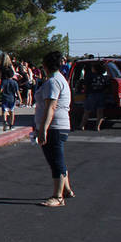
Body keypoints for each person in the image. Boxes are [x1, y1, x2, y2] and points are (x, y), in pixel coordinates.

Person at [34, 51, 73, 207]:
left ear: (45, 65)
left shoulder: (53, 82)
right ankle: (66, 190)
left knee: (56, 160)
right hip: (60, 125)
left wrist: (43, 128)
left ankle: (58, 197)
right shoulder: (59, 79)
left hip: (54, 126)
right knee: (57, 158)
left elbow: (51, 106)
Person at [80, 62, 108, 131]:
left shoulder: (90, 76)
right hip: (101, 95)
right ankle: (97, 127)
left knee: (87, 111)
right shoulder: (104, 77)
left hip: (91, 95)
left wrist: (85, 93)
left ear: (95, 69)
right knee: (100, 112)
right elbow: (106, 87)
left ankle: (82, 126)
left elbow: (85, 85)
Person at [0, 66, 19, 130]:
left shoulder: (4, 81)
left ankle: (5, 121)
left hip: (5, 97)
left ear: (6, 75)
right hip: (12, 98)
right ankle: (11, 125)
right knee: (12, 111)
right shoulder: (15, 82)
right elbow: (17, 91)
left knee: (4, 111)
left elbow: (1, 90)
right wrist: (20, 98)